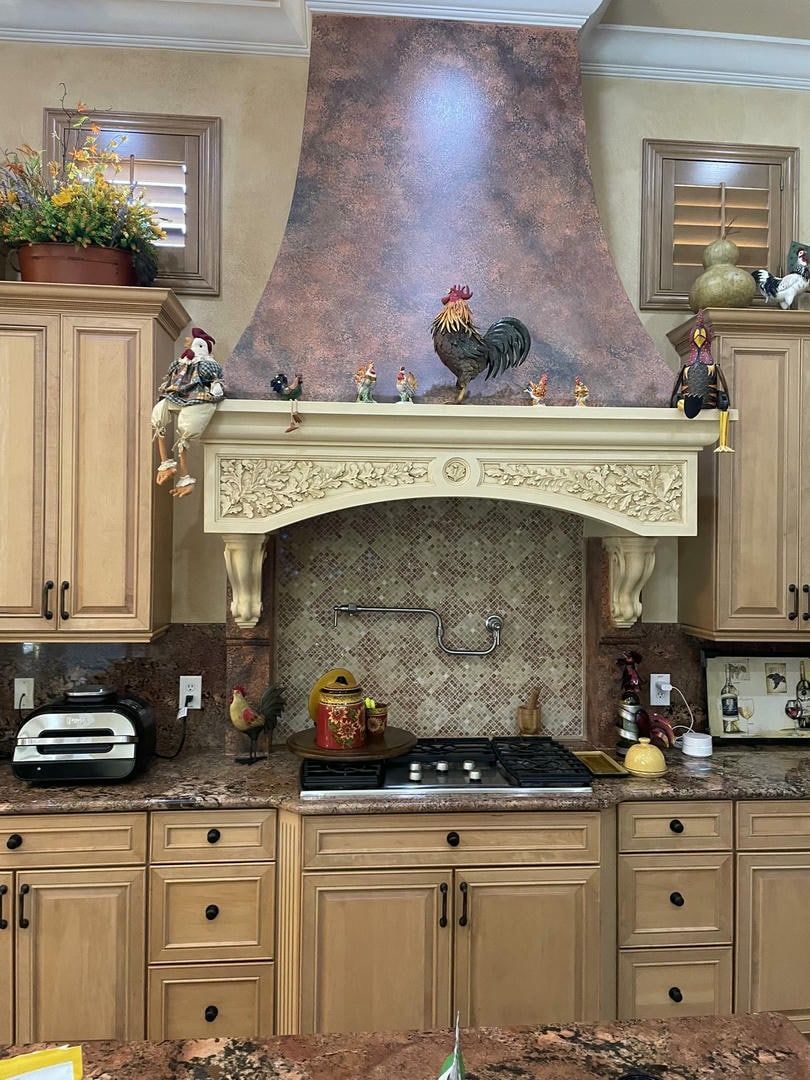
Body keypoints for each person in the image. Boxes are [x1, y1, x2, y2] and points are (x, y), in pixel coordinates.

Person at [151, 326, 224, 497]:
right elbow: (173, 376)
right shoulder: (182, 363)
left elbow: (213, 378)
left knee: (185, 431)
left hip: (197, 396)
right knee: (158, 416)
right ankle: (166, 463)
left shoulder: (206, 365)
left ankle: (185, 476)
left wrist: (215, 389)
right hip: (178, 394)